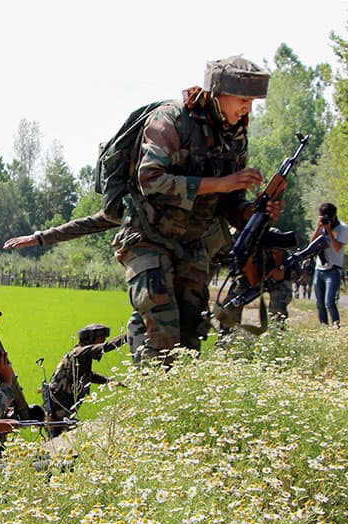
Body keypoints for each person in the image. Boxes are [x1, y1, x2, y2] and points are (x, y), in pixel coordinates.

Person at [111, 55, 280, 361]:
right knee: (162, 335)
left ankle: (175, 401)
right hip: (148, 238)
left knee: (191, 338)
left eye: (252, 101)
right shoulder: (172, 121)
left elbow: (230, 204)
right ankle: (151, 396)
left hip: (192, 244)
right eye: (243, 99)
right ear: (218, 92)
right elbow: (150, 179)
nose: (247, 109)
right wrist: (222, 183)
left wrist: (254, 213)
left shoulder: (235, 136)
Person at [47, 324, 125, 435]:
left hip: (65, 403)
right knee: (59, 433)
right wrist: (129, 336)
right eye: (101, 338)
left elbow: (89, 376)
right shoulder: (80, 352)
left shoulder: (82, 355)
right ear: (90, 338)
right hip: (60, 404)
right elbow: (105, 347)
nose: (103, 341)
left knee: (66, 431)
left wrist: (111, 382)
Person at [310, 202, 348, 326]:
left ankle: (336, 326)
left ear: (334, 216)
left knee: (330, 302)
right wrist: (318, 228)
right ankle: (324, 326)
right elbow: (311, 244)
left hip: (333, 269)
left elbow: (337, 247)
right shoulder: (321, 227)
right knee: (319, 303)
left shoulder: (342, 228)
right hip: (319, 268)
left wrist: (329, 231)